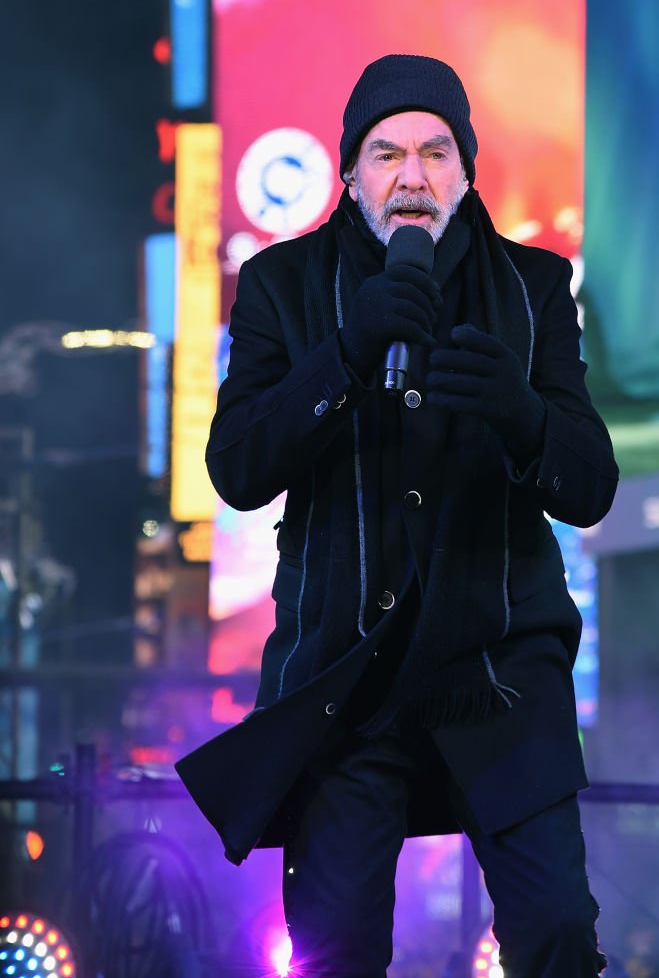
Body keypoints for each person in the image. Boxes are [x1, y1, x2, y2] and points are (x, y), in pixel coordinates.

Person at [176, 54, 618, 977]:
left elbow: (590, 487)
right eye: (385, 153)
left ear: (465, 172)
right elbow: (238, 470)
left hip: (498, 671)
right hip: (347, 681)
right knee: (334, 952)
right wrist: (343, 352)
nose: (410, 175)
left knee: (556, 935)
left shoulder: (532, 288)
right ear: (349, 171)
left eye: (434, 152)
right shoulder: (281, 285)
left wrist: (522, 412)